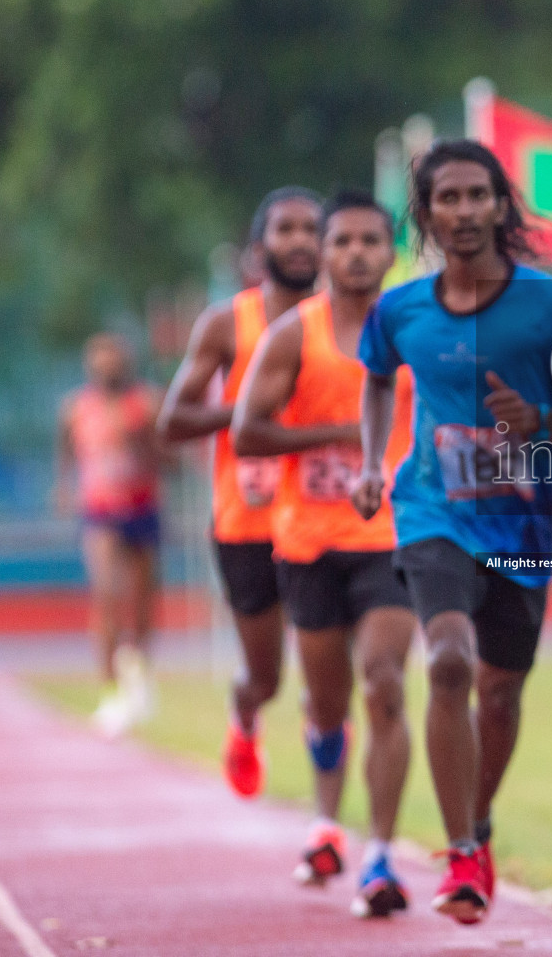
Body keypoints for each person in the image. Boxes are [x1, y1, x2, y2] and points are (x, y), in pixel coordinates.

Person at [353, 140, 552, 925]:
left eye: (477, 196)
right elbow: (375, 381)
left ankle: (477, 825)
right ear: (424, 215)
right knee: (450, 661)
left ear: (502, 206)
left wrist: (542, 423)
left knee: (499, 696)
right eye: (446, 199)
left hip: (522, 526)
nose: (463, 212)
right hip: (431, 512)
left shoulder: (549, 307)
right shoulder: (400, 310)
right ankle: (462, 852)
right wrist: (370, 462)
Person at [232, 190, 416, 916]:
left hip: (391, 538)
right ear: (326, 254)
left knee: (385, 682)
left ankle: (379, 856)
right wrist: (335, 435)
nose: (357, 254)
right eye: (343, 242)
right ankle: (325, 821)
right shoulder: (294, 335)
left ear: (389, 251)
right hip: (306, 543)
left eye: (373, 241)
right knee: (328, 700)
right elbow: (247, 431)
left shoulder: (412, 330)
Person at [158, 187, 323, 797]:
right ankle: (244, 716)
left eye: (312, 229)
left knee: (328, 674)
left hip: (323, 519)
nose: (301, 240)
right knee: (266, 676)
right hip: (247, 522)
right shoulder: (229, 323)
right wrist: (251, 417)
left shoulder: (346, 321)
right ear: (260, 250)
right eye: (286, 230)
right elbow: (172, 423)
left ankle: (326, 811)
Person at [56, 333, 163, 739]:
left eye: (114, 360)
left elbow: (167, 457)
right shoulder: (75, 409)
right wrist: (65, 486)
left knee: (142, 602)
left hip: (141, 506)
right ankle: (109, 688)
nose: (107, 368)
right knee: (104, 594)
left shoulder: (146, 404)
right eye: (99, 361)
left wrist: (144, 446)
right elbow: (64, 452)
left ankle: (138, 674)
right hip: (99, 510)